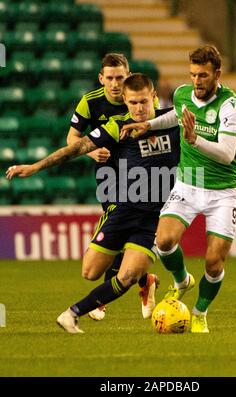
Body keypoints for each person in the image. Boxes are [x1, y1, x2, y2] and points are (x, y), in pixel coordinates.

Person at [120, 45, 236, 334]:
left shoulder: (229, 103)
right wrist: (149, 125)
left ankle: (199, 312)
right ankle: (182, 280)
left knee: (214, 261)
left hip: (222, 190)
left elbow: (226, 151)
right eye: (193, 74)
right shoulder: (183, 93)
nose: (197, 80)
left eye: (203, 75)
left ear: (217, 74)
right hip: (188, 181)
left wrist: (194, 140)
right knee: (164, 240)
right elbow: (177, 115)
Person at [6, 73, 180, 334]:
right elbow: (76, 148)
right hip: (122, 210)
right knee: (90, 272)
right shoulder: (116, 126)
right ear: (125, 100)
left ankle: (71, 314)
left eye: (144, 101)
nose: (139, 109)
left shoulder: (174, 120)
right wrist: (36, 167)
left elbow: (219, 127)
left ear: (153, 96)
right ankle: (144, 276)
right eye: (133, 103)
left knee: (127, 276)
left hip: (155, 217)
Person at [68, 52, 159, 321]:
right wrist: (90, 153)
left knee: (122, 236)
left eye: (120, 77)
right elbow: (72, 136)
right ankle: (145, 281)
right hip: (108, 176)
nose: (116, 83)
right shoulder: (90, 102)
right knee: (119, 240)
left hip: (140, 179)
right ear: (101, 78)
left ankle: (101, 301)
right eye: (110, 78)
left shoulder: (140, 100)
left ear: (128, 76)